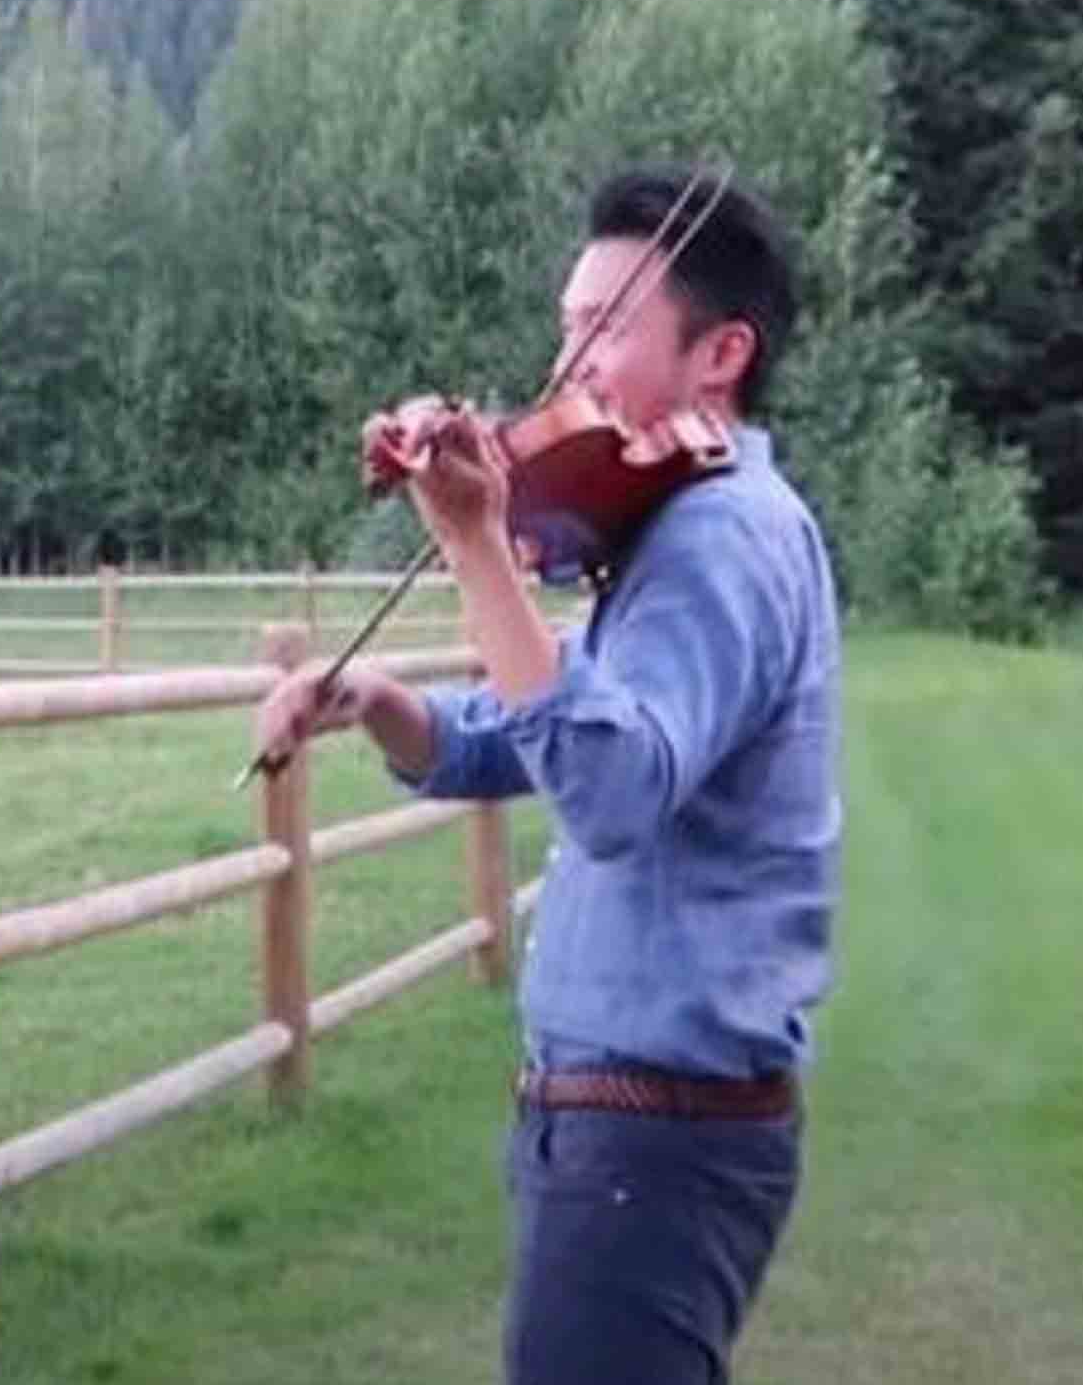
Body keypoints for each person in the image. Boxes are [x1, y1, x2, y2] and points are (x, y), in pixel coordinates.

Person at [256, 167, 840, 1383]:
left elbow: (610, 789)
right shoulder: (670, 526)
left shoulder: (722, 532)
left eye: (606, 328)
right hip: (623, 1121)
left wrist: (476, 547)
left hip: (656, 1130)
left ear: (720, 352)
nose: (562, 366)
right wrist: (385, 705)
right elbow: (531, 724)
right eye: (567, 325)